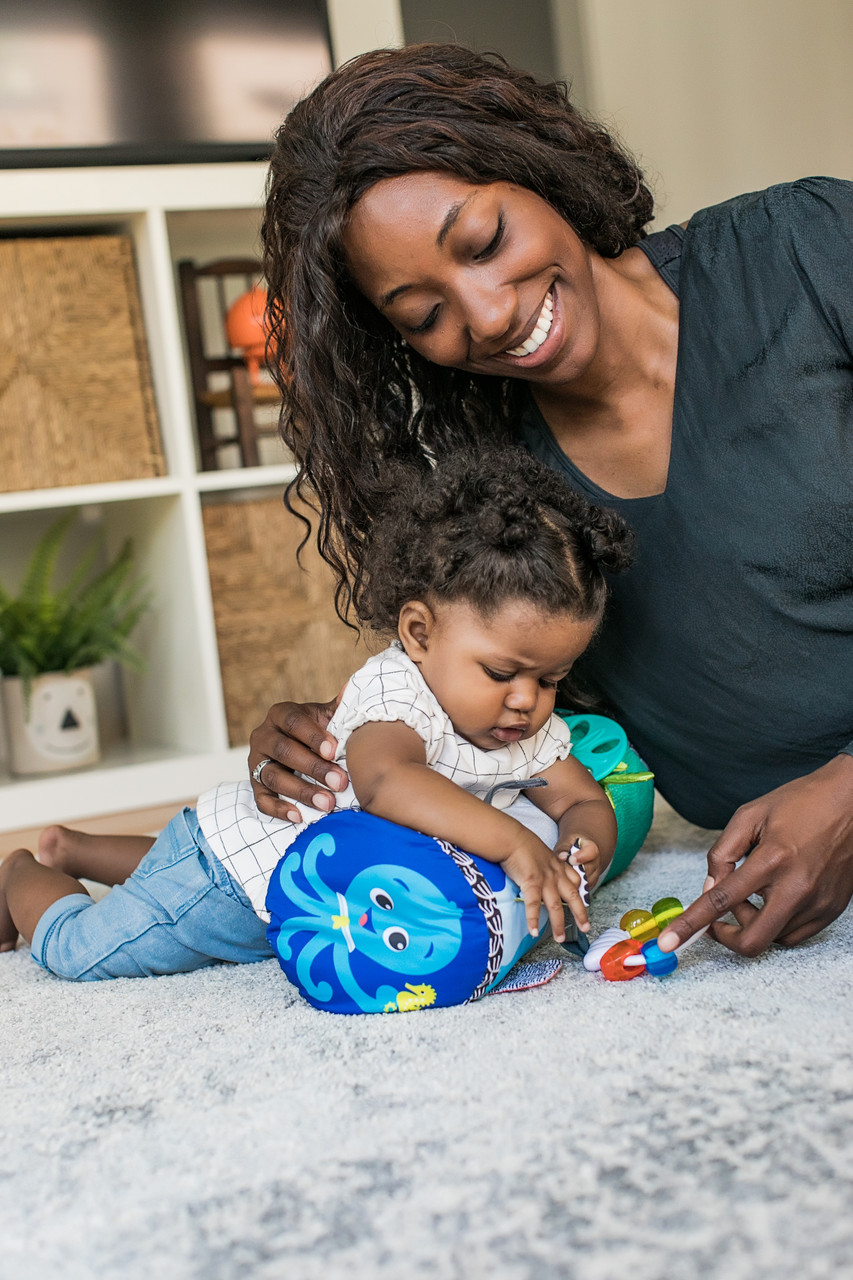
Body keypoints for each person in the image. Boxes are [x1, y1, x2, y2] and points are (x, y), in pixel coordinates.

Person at [250, 43, 853, 959]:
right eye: (423, 315)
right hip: (765, 883)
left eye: (484, 242)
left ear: (537, 171)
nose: (486, 314)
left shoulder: (805, 254)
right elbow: (486, 701)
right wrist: (340, 737)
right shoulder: (492, 486)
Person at [0, 447, 633, 978]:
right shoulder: (397, 693)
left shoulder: (521, 728)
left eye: (552, 678)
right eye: (501, 673)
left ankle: (75, 850)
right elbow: (388, 783)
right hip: (237, 878)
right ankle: (22, 872)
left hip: (305, 885)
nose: (527, 699)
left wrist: (581, 853)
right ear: (419, 633)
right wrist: (519, 844)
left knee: (165, 873)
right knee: (81, 951)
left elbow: (583, 800)